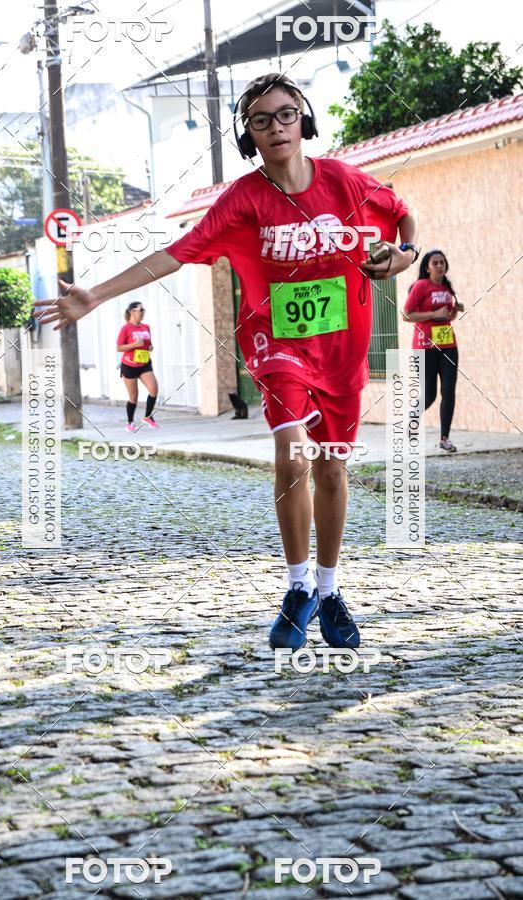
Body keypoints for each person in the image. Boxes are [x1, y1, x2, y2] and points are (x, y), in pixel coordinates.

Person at [36, 73, 419, 651]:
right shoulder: (244, 199)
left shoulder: (345, 181)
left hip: (342, 349)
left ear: (304, 120)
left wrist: (405, 255)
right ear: (249, 136)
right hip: (276, 344)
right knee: (293, 452)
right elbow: (175, 254)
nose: (276, 127)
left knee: (333, 470)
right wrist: (96, 294)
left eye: (286, 114)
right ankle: (297, 587)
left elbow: (403, 215)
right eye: (261, 121)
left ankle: (329, 589)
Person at [403, 249, 460, 452]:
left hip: (447, 344)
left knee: (449, 391)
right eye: (435, 263)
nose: (439, 266)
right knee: (429, 395)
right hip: (425, 346)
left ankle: (445, 439)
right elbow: (406, 315)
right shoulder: (421, 286)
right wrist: (433, 314)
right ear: (427, 267)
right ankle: (411, 418)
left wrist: (454, 310)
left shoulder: (447, 287)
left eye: (442, 262)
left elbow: (448, 317)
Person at [116, 300, 159, 431]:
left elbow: (148, 344)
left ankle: (148, 417)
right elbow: (119, 347)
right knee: (134, 397)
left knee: (154, 389)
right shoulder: (126, 328)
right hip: (129, 365)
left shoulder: (146, 327)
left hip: (144, 364)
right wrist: (134, 345)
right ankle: (130, 422)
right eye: (141, 310)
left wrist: (150, 347)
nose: (143, 312)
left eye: (143, 310)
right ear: (132, 312)